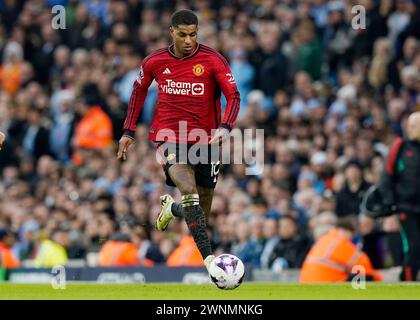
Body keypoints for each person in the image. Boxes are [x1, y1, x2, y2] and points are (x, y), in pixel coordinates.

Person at [117, 10, 240, 272]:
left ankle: (172, 209)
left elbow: (234, 96)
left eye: (193, 34)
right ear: (172, 32)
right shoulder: (155, 61)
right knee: (188, 188)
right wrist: (128, 131)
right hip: (168, 137)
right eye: (182, 34)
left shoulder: (213, 60)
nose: (188, 40)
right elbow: (138, 91)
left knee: (200, 216)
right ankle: (211, 263)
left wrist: (225, 127)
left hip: (205, 140)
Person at [373, 112, 420, 281]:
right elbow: (387, 177)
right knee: (413, 246)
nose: (412, 129)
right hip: (405, 207)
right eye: (411, 125)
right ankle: (408, 284)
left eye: (416, 126)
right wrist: (390, 205)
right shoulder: (400, 147)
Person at [300, 218, 382, 283]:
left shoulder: (324, 239)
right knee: (365, 277)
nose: (351, 238)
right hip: (329, 282)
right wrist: (377, 277)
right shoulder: (342, 243)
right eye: (352, 235)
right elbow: (363, 266)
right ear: (347, 231)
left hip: (307, 281)